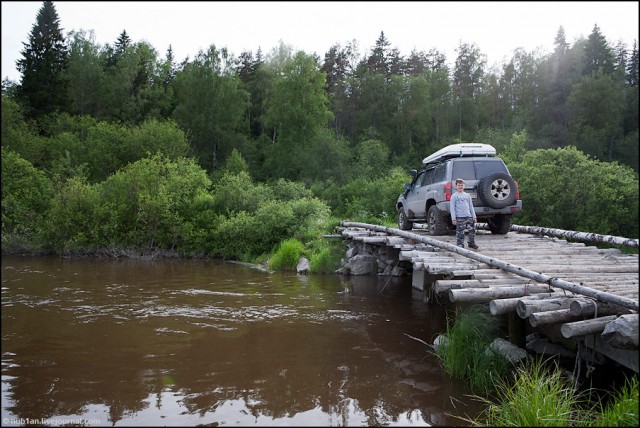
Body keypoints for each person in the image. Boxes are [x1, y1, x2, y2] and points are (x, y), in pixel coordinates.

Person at [450, 178, 478, 249]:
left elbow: (471, 207)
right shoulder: (454, 196)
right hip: (459, 217)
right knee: (460, 232)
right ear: (456, 186)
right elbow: (452, 208)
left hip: (469, 216)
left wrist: (474, 217)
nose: (460, 186)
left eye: (462, 185)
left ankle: (471, 243)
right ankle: (460, 245)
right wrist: (453, 218)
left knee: (472, 231)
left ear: (464, 186)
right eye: (459, 185)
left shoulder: (467, 195)